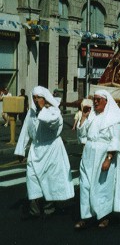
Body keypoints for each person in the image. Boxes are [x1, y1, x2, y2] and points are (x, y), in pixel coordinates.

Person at [75, 89, 120, 229]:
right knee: (85, 186)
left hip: (104, 155)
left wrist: (109, 158)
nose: (95, 102)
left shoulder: (113, 119)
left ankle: (104, 216)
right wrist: (83, 117)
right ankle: (85, 216)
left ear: (106, 101)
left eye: (98, 99)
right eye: (94, 99)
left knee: (102, 187)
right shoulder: (92, 116)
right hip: (88, 154)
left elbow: (115, 140)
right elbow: (82, 134)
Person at [14, 86, 74, 218]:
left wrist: (43, 109)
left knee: (49, 179)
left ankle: (49, 209)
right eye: (34, 97)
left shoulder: (53, 112)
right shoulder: (31, 112)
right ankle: (34, 210)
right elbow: (25, 130)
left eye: (39, 97)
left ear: (45, 98)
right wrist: (21, 150)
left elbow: (51, 123)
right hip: (36, 149)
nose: (36, 100)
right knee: (32, 177)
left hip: (51, 149)